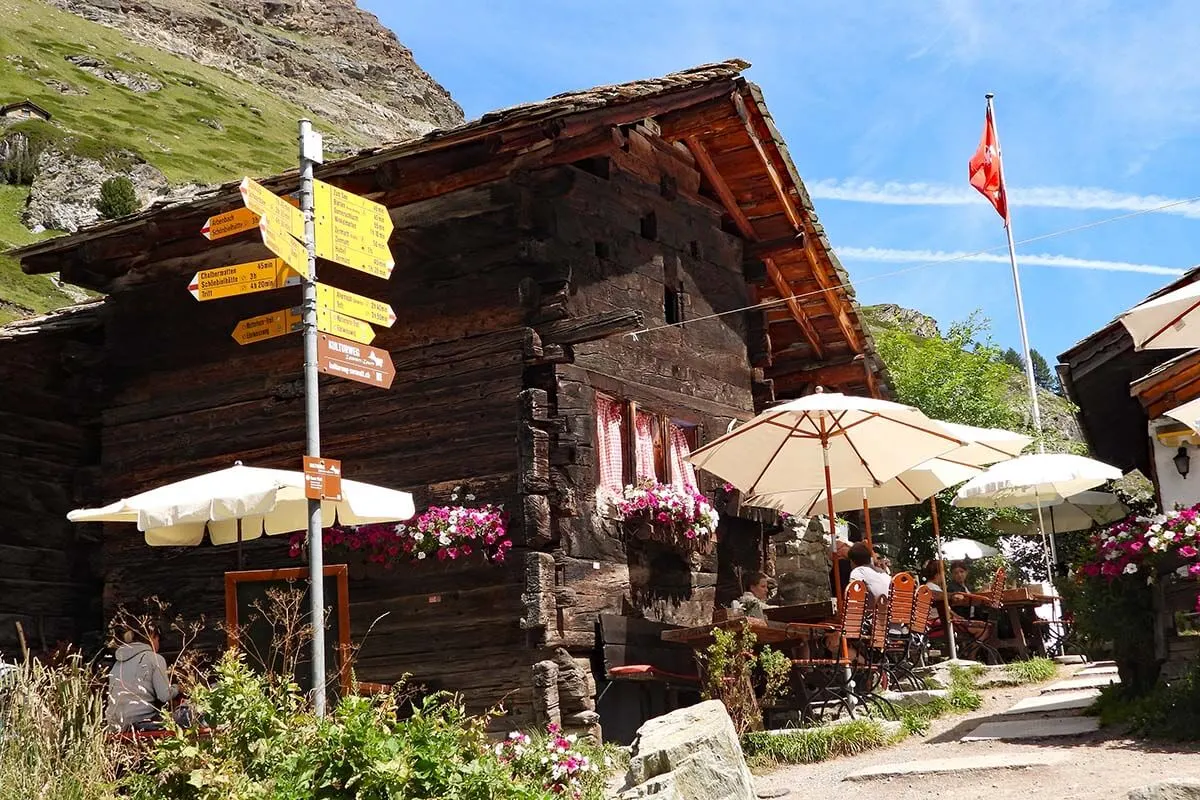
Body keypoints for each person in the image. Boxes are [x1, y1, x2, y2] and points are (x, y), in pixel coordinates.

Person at [105, 625, 179, 732]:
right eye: (158, 640)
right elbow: (165, 695)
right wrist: (177, 688)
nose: (159, 645)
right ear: (152, 636)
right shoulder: (154, 658)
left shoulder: (117, 664)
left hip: (114, 725)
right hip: (140, 723)